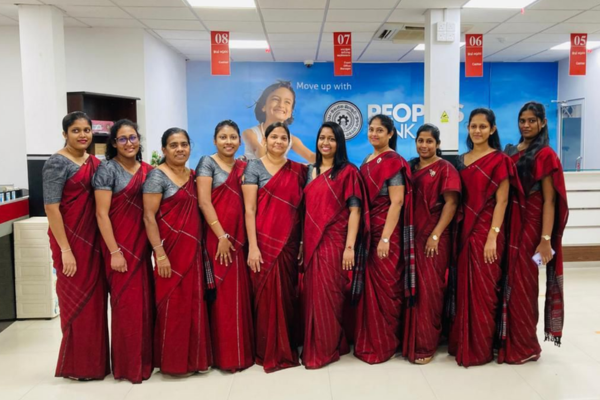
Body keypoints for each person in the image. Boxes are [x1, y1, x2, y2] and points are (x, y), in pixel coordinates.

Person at [448, 108, 523, 367]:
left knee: (485, 292)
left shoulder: (500, 161)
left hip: (487, 233)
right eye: (473, 126)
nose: (477, 131)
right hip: (462, 233)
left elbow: (502, 201)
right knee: (463, 290)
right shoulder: (460, 161)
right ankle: (462, 342)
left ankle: (480, 347)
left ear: (492, 129)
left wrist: (493, 236)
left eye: (482, 126)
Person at [499, 101, 568, 364]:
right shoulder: (511, 152)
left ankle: (526, 346)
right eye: (522, 120)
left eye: (531, 120)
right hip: (509, 222)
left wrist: (545, 240)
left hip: (531, 226)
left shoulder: (545, 155)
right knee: (506, 281)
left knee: (524, 286)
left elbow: (550, 200)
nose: (526, 125)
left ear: (543, 123)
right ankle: (505, 340)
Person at [43, 111, 109, 380]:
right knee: (77, 302)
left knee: (95, 303)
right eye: (76, 130)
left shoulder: (95, 162)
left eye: (86, 130)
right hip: (70, 242)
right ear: (65, 134)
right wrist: (66, 249)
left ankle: (96, 364)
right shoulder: (57, 163)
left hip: (94, 241)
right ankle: (77, 366)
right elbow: (51, 207)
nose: (82, 135)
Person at [143, 128, 212, 376]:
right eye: (173, 145)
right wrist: (160, 254)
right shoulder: (157, 176)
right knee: (172, 307)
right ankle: (173, 363)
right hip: (169, 254)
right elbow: (148, 217)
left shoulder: (193, 176)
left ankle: (194, 360)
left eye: (184, 144)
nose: (180, 149)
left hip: (193, 251)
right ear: (163, 150)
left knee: (193, 305)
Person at [301, 122, 369, 369]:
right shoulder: (310, 170)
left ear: (339, 143)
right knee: (313, 296)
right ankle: (328, 343)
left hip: (335, 242)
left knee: (329, 295)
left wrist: (349, 247)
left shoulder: (348, 172)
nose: (325, 143)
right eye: (322, 138)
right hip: (311, 241)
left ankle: (324, 349)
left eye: (331, 138)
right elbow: (305, 210)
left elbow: (355, 211)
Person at [241, 122, 307, 372]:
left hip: (290, 242)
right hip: (263, 242)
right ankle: (266, 348)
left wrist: (301, 241)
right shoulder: (253, 167)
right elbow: (249, 210)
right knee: (266, 295)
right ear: (265, 140)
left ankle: (286, 346)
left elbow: (302, 210)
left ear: (289, 142)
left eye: (283, 138)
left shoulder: (299, 170)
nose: (278, 141)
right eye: (274, 137)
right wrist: (253, 247)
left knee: (287, 296)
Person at [93, 119, 154, 383]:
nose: (129, 143)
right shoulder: (107, 170)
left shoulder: (149, 170)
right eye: (122, 139)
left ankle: (146, 362)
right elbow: (101, 214)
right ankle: (128, 367)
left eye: (132, 137)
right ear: (114, 143)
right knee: (126, 307)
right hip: (119, 248)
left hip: (144, 248)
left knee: (144, 305)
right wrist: (114, 251)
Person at [354, 114, 415, 365]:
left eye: (380, 130)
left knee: (388, 287)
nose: (374, 134)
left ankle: (386, 342)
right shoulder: (366, 160)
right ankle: (370, 338)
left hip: (385, 234)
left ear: (390, 134)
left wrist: (386, 239)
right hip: (368, 233)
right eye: (371, 129)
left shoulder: (394, 161)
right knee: (370, 289)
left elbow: (397, 202)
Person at [196, 120, 254, 372]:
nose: (228, 142)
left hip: (240, 239)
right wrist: (221, 236)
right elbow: (204, 202)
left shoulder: (244, 165)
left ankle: (242, 353)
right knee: (222, 296)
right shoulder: (207, 163)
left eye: (232, 137)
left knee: (239, 294)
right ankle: (225, 356)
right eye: (223, 137)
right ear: (214, 140)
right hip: (218, 238)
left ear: (240, 141)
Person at [402, 124, 461, 365]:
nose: (424, 145)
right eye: (420, 140)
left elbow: (451, 204)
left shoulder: (445, 168)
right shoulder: (410, 167)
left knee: (430, 292)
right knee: (412, 289)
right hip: (411, 237)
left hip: (434, 239)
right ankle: (410, 340)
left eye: (429, 141)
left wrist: (435, 234)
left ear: (438, 144)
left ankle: (426, 344)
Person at [242, 80, 315, 163]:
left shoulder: (292, 139)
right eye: (275, 99)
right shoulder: (250, 133)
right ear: (264, 106)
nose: (281, 105)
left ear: (290, 113)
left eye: (287, 102)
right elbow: (260, 153)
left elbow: (311, 156)